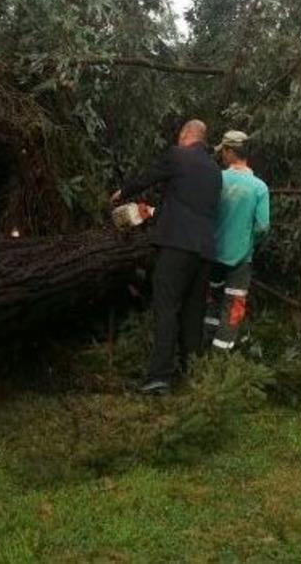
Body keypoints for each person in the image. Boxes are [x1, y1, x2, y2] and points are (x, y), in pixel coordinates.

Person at [111, 120, 222, 395]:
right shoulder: (215, 170)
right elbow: (189, 207)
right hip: (204, 251)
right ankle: (191, 373)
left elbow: (148, 176)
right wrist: (154, 213)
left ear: (185, 135)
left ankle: (159, 377)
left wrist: (122, 192)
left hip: (176, 246)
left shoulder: (177, 155)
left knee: (167, 307)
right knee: (193, 312)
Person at [205, 131, 270, 351]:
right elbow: (263, 227)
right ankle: (220, 355)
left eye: (223, 151)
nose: (222, 155)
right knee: (233, 305)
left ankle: (202, 348)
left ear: (230, 152)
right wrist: (248, 242)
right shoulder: (259, 187)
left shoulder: (217, 180)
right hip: (241, 258)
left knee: (211, 300)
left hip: (212, 253)